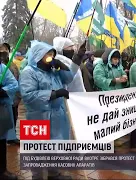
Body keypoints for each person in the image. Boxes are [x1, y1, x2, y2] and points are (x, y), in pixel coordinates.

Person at [19, 41, 78, 179]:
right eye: (48, 54)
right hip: (37, 117)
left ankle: (54, 174)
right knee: (37, 152)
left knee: (55, 148)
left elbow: (69, 79)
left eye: (52, 54)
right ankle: (37, 177)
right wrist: (54, 94)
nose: (51, 57)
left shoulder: (52, 70)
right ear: (39, 55)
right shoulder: (29, 72)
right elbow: (28, 95)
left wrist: (62, 67)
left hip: (56, 116)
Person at [0, 44, 19, 180]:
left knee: (1, 143)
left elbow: (14, 84)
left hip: (1, 110)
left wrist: (2, 91)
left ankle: (2, 171)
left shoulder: (2, 68)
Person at [0, 44, 20, 144]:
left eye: (6, 50)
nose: (4, 52)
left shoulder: (10, 65)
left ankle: (11, 137)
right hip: (6, 101)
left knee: (12, 117)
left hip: (10, 99)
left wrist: (4, 91)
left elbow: (16, 81)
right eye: (1, 50)